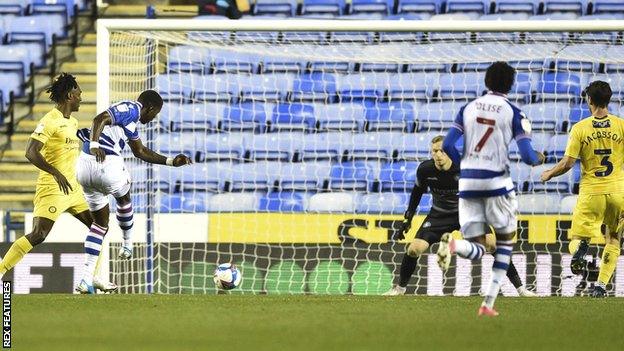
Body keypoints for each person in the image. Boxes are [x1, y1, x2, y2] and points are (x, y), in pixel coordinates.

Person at [438, 62, 544, 316]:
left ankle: (454, 246)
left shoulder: (467, 108)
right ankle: (487, 303)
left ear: (486, 81)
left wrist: (465, 163)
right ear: (510, 84)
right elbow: (528, 157)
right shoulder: (515, 113)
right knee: (504, 244)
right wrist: (540, 158)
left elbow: (448, 145)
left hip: (468, 182)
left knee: (478, 245)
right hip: (497, 183)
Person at [0, 73, 115, 292]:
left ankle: (91, 277)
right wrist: (55, 172)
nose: (81, 97)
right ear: (70, 95)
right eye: (79, 93)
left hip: (74, 189)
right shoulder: (49, 120)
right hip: (53, 187)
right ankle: (1, 269)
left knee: (98, 227)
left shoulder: (72, 122)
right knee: (39, 235)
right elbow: (31, 152)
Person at [384, 135, 535, 297]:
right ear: (431, 152)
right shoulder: (425, 170)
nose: (439, 155)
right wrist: (408, 218)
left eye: (442, 150)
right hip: (439, 215)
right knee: (413, 249)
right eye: (435, 151)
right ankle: (399, 289)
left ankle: (521, 289)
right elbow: (417, 192)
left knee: (492, 245)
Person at [74, 90, 192, 293]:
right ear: (151, 107)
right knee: (125, 193)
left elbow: (140, 151)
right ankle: (127, 242)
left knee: (100, 224)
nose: (153, 118)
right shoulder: (131, 108)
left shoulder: (130, 123)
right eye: (155, 114)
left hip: (83, 169)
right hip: (103, 161)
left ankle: (85, 279)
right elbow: (99, 118)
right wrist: (95, 145)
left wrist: (171, 162)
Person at [541, 81, 624, 298]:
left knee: (578, 238)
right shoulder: (621, 125)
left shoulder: (580, 128)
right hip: (617, 192)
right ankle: (601, 286)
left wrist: (549, 173)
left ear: (589, 100)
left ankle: (581, 249)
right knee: (614, 238)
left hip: (591, 193)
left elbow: (568, 164)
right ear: (609, 99)